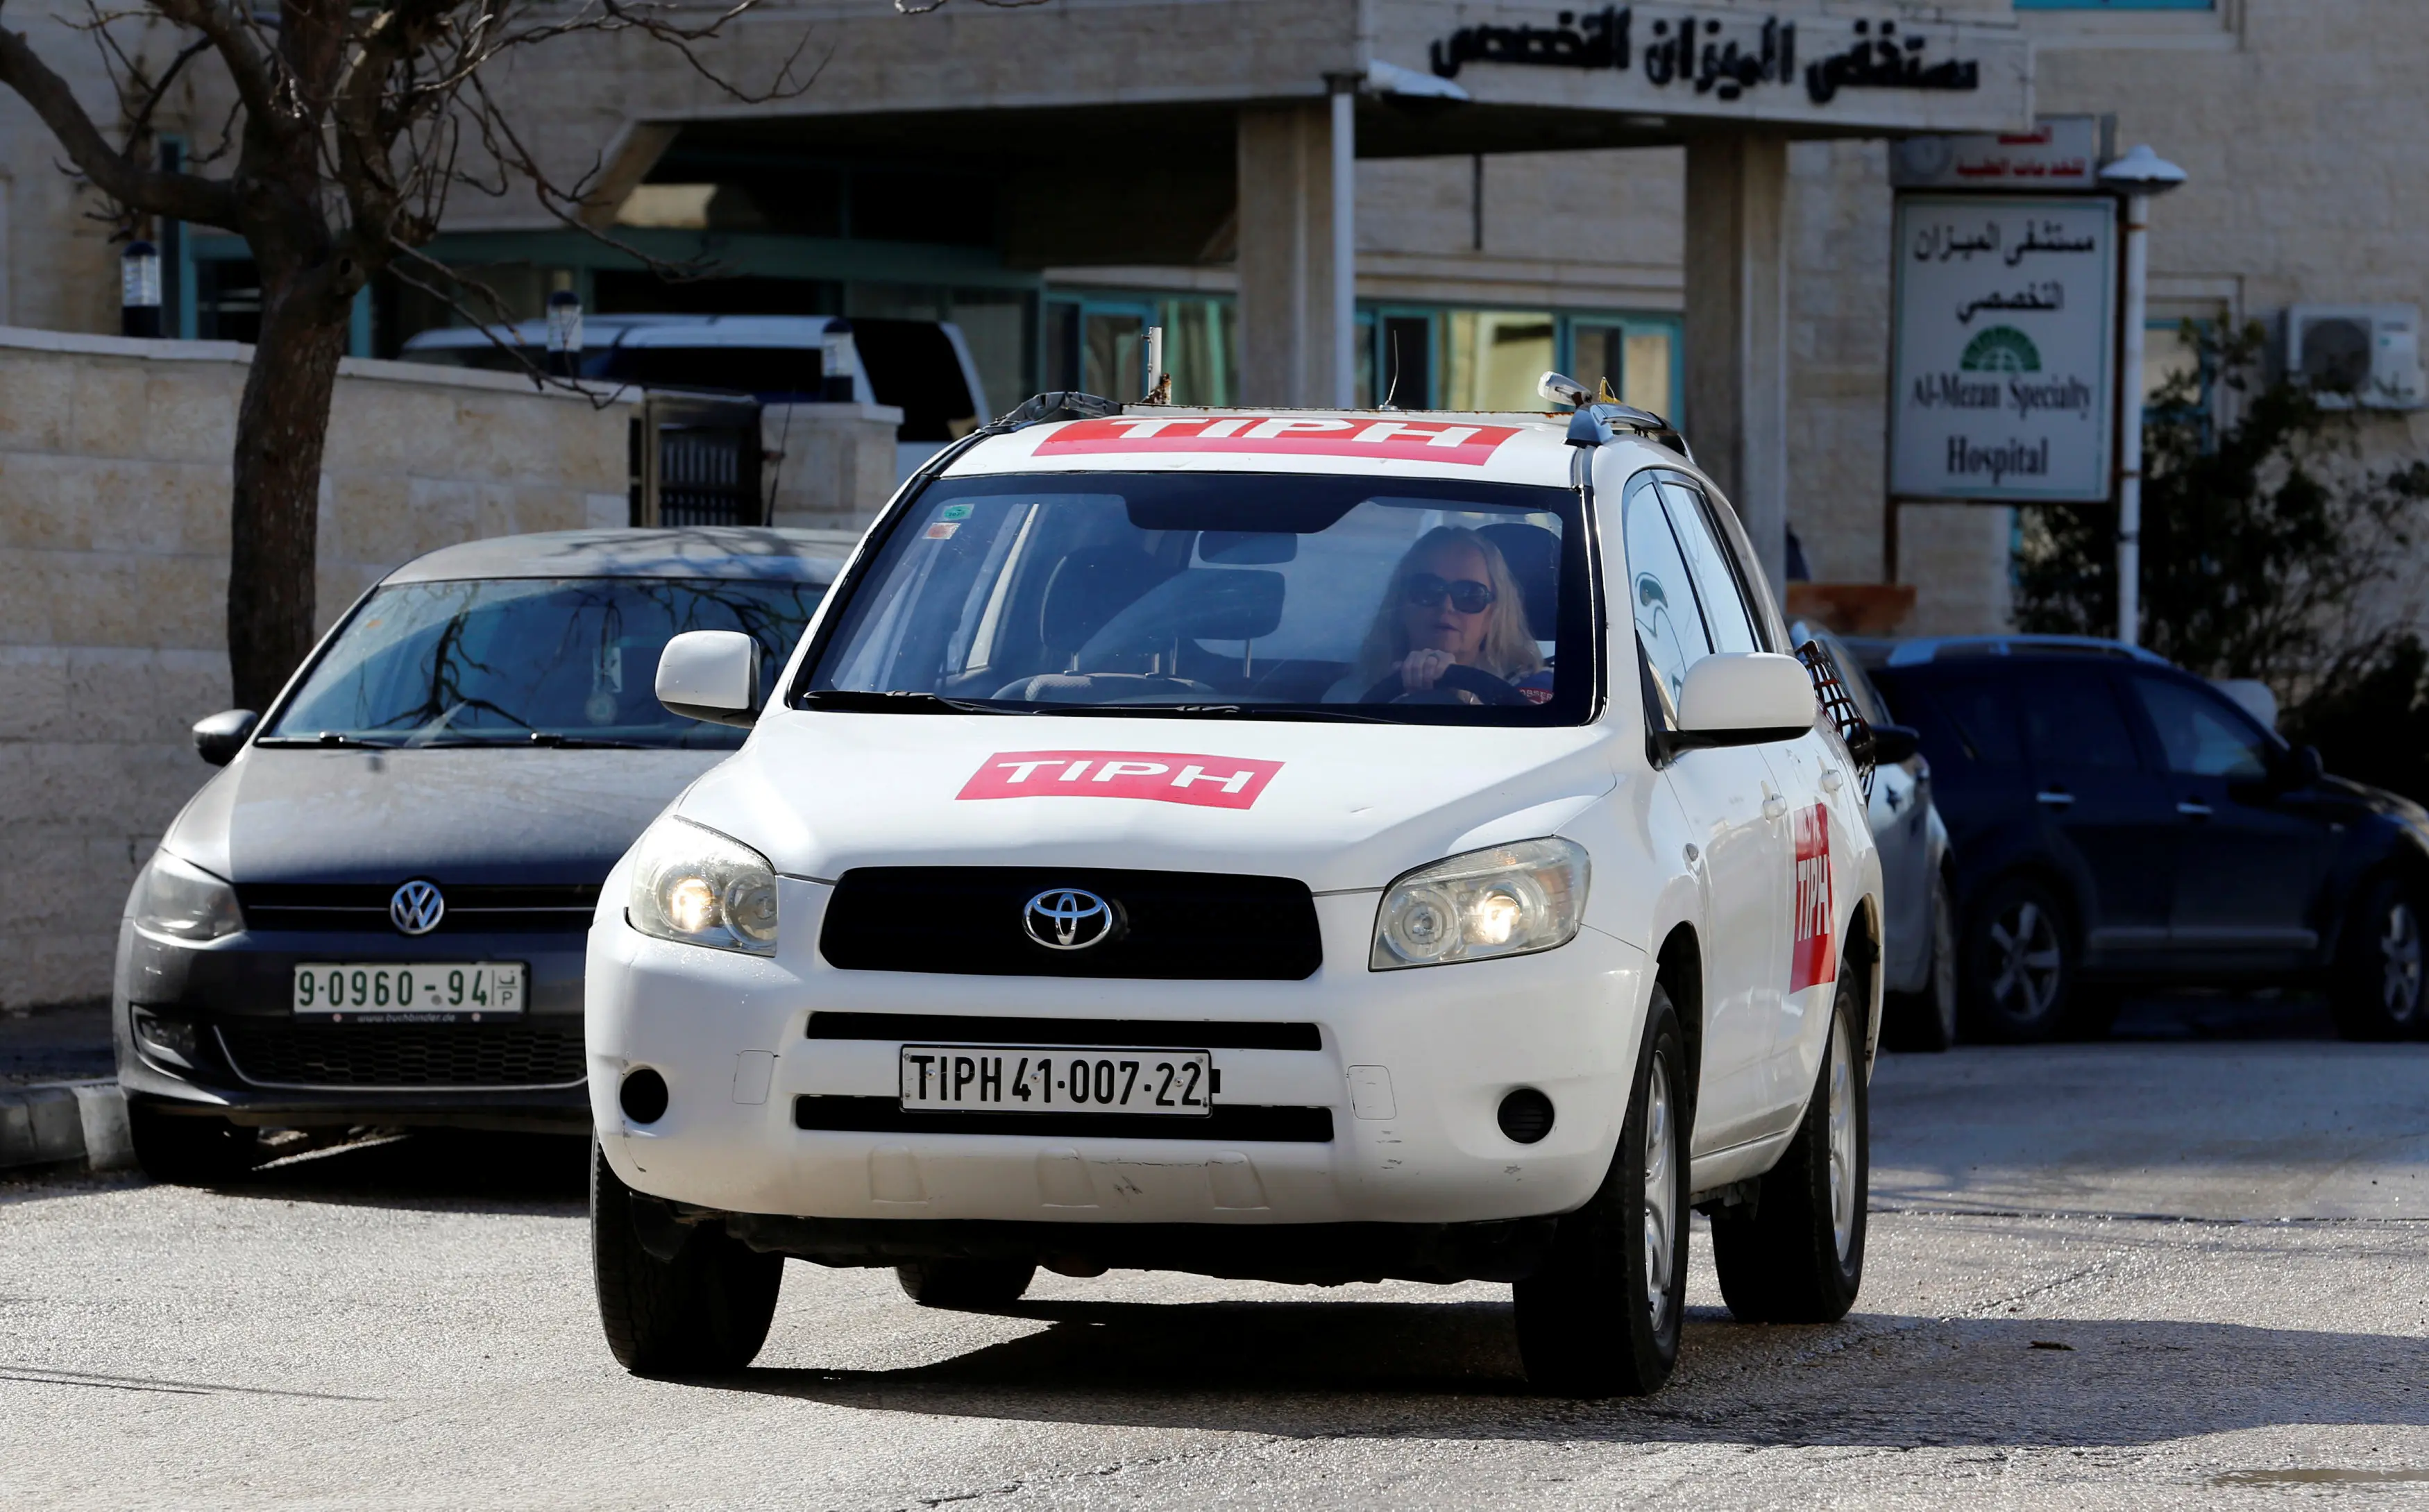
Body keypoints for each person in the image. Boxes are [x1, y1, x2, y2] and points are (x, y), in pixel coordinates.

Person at [1332, 525, 1552, 705]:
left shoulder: (1535, 690)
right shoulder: (1351, 695)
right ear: (1401, 602)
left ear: (1495, 611)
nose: (1447, 606)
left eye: (1470, 595)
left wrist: (1461, 694)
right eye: (1427, 590)